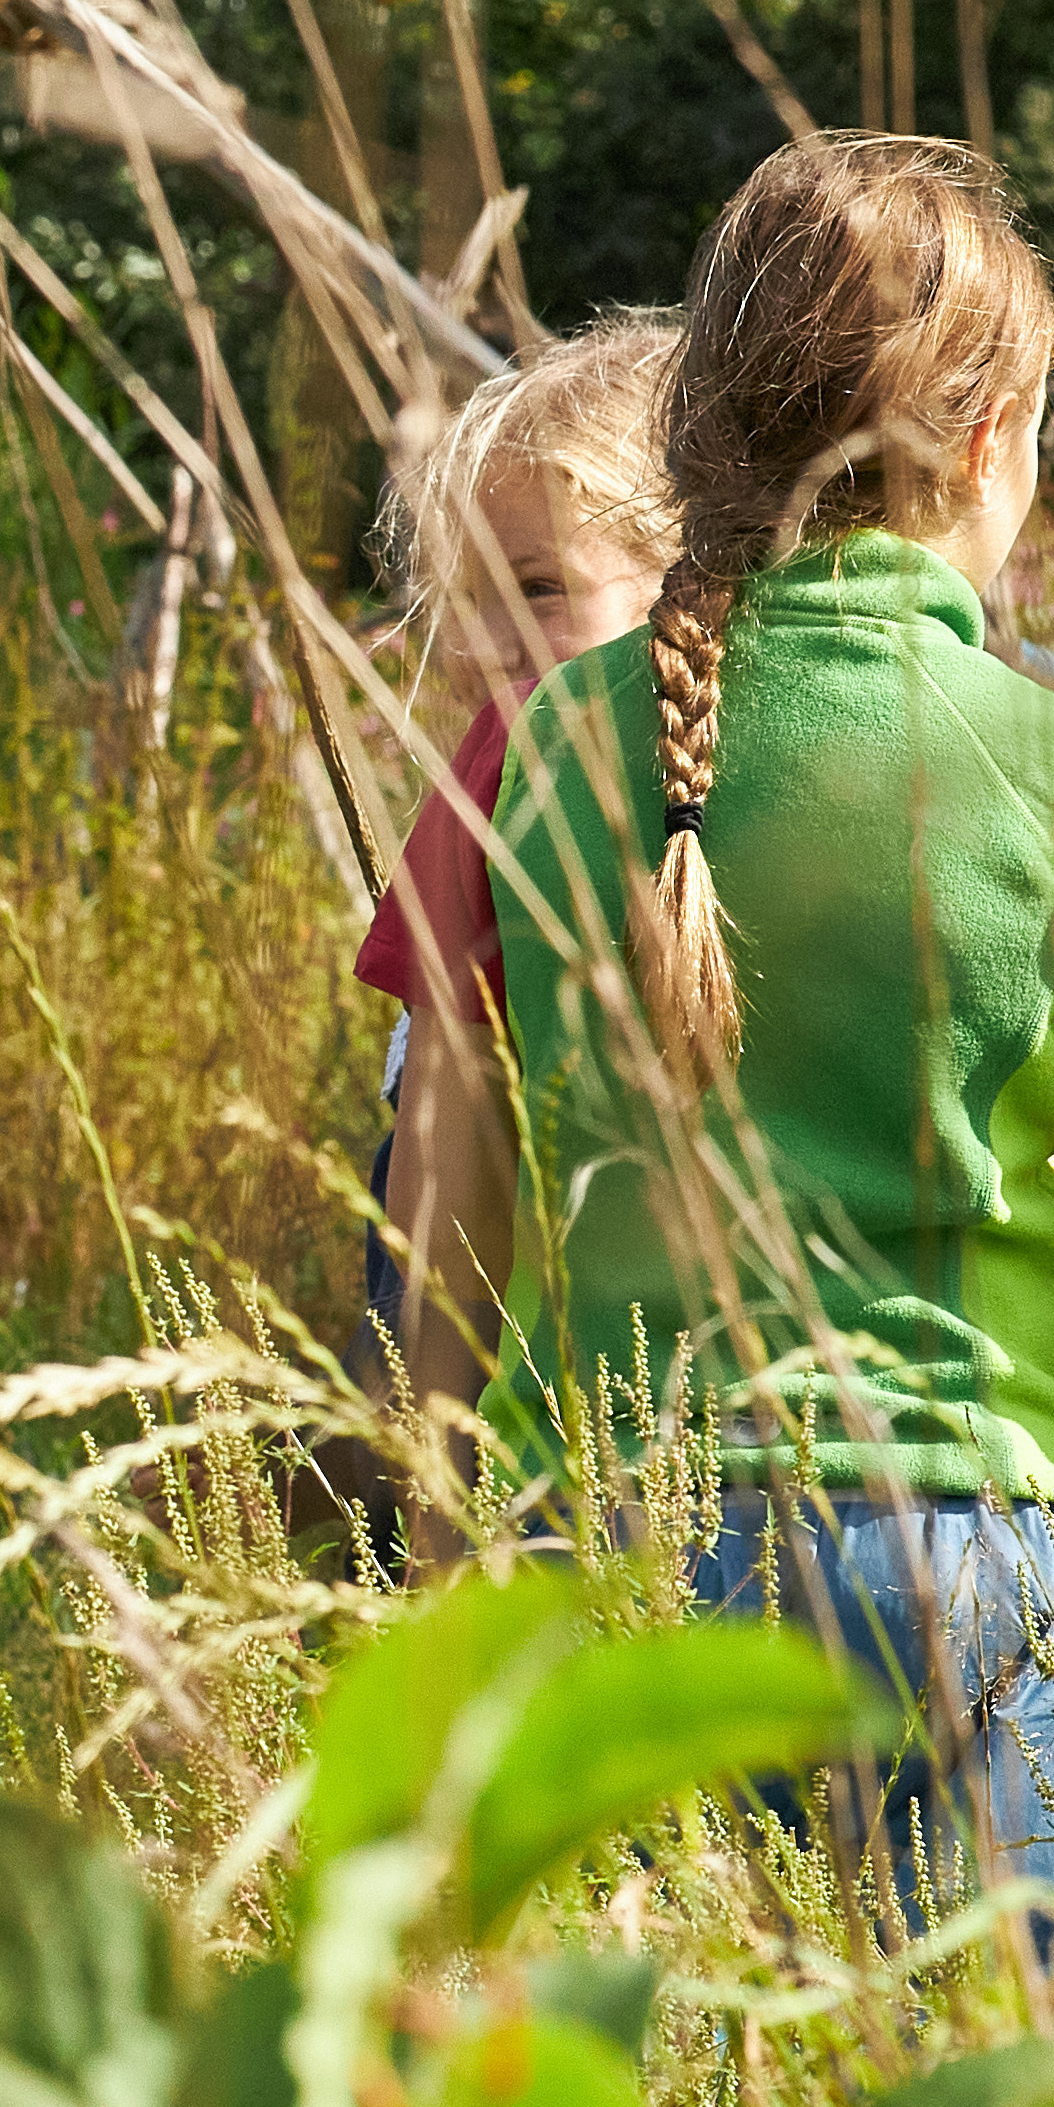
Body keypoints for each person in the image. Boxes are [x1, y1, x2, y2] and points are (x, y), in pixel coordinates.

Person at [390, 139, 1054, 1988]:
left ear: (699, 434)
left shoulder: (522, 766)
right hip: (958, 1552)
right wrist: (1038, 1348)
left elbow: (442, 1244)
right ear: (994, 443)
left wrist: (435, 1548)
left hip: (609, 1539)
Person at [356, 315, 688, 1390]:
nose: (471, 643)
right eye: (465, 599)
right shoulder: (498, 779)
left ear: (687, 577)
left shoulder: (538, 771)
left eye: (539, 589)